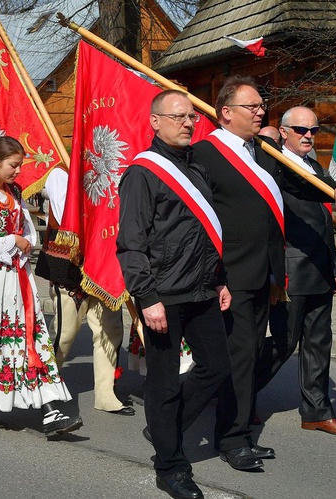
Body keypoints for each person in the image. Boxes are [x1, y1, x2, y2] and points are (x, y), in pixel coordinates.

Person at [192, 76, 336, 471]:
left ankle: (236, 434)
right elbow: (201, 221)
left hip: (264, 274)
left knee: (245, 357)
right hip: (230, 275)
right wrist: (213, 277)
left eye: (261, 106)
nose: (260, 111)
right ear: (226, 113)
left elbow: (305, 185)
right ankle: (182, 421)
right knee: (238, 357)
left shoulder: (261, 154)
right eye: (253, 107)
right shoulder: (205, 154)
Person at [117, 90, 231, 499]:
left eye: (191, 118)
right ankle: (170, 467)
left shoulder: (197, 168)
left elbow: (206, 233)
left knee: (217, 366)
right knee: (163, 385)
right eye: (178, 116)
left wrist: (219, 279)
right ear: (155, 121)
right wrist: (146, 297)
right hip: (163, 295)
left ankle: (163, 427)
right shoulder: (142, 174)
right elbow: (131, 243)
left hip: (201, 289)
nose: (188, 123)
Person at [0, 135, 82, 437]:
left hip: (17, 281)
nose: (18, 172)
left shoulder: (15, 193)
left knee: (32, 340)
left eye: (19, 165)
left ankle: (50, 410)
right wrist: (10, 241)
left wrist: (23, 242)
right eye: (13, 166)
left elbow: (31, 234)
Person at [254, 106, 336, 436]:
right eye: (300, 130)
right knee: (284, 342)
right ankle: (235, 393)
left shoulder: (313, 164)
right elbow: (301, 191)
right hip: (289, 272)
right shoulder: (274, 164)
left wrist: (335, 269)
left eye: (314, 130)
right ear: (284, 132)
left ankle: (316, 411)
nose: (309, 136)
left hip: (319, 271)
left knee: (319, 342)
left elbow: (324, 222)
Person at [35, 165, 134, 416]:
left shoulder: (109, 167)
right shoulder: (61, 171)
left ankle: (105, 392)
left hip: (102, 262)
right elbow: (66, 215)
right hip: (68, 266)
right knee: (65, 332)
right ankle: (43, 385)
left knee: (109, 329)